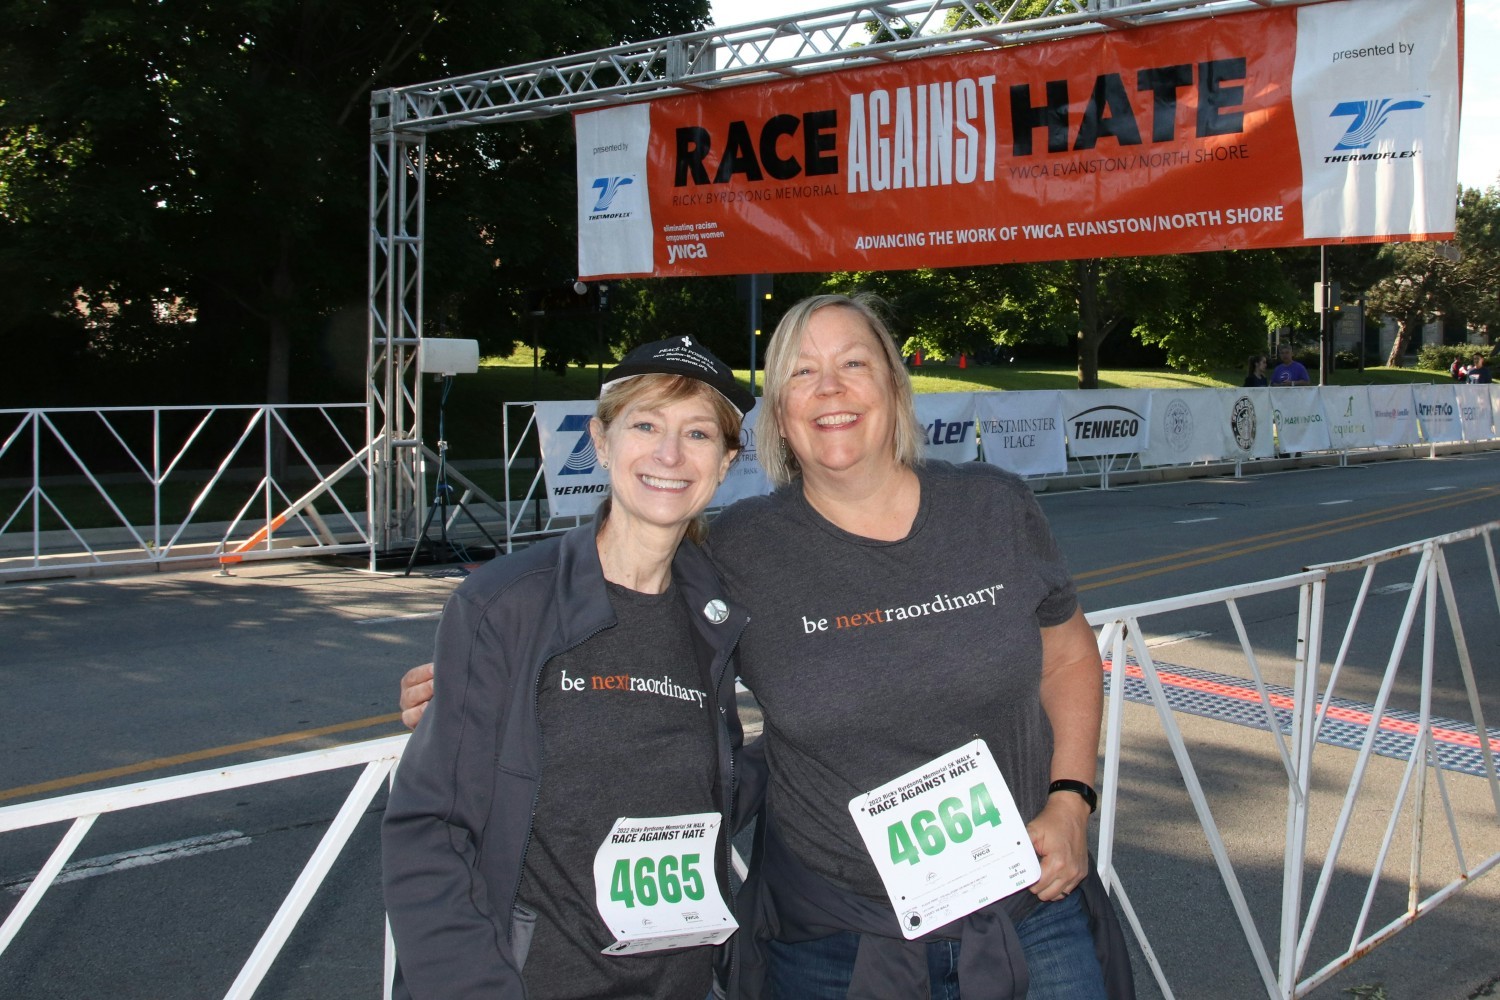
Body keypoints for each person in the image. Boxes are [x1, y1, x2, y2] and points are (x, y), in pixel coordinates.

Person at [402, 295, 1133, 999]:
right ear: (780, 415)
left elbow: (1068, 657)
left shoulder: (993, 506)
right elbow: (629, 632)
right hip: (836, 937)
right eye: (801, 373)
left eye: (853, 363)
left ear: (895, 386)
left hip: (1026, 905)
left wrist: (1072, 800)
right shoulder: (738, 552)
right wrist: (482, 678)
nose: (830, 389)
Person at [382, 337, 755, 1000]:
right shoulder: (506, 604)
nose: (669, 456)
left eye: (697, 433)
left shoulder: (719, 612)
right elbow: (429, 831)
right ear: (601, 440)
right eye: (645, 425)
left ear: (725, 462)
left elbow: (722, 782)